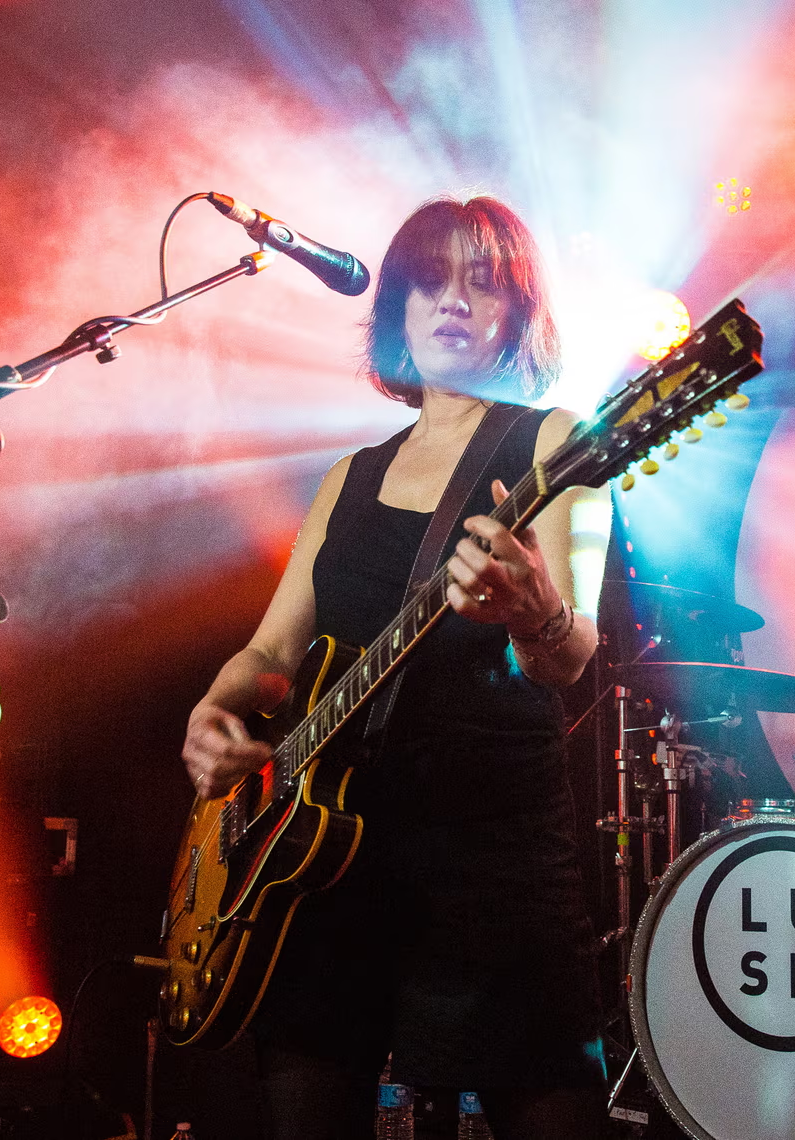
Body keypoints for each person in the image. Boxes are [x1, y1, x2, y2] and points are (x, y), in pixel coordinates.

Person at [181, 196, 607, 1140]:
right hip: (323, 871)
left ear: (517, 312)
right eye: (429, 282)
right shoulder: (351, 475)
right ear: (396, 311)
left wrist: (534, 611)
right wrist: (212, 710)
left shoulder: (551, 442)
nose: (453, 301)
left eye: (482, 282)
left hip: (491, 860)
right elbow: (271, 654)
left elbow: (571, 656)